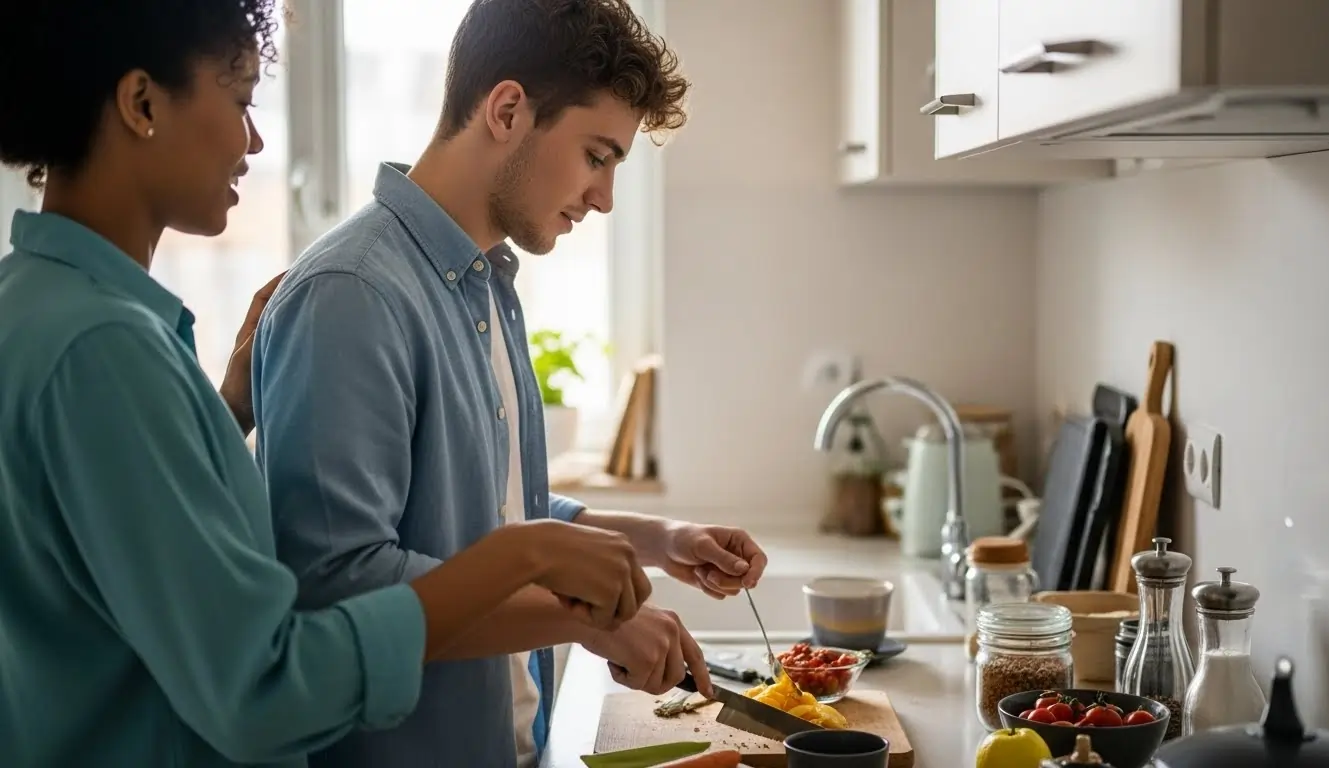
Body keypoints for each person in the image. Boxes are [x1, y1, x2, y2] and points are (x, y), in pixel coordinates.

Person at [0, 3, 654, 766]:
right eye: (241, 99)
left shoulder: (41, 306)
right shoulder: (105, 345)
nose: (256, 140)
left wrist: (225, 412)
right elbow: (263, 687)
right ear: (142, 104)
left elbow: (113, 571)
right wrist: (525, 560)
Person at [251, 0, 769, 766]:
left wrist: (661, 540)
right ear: (506, 110)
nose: (604, 197)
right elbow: (339, 585)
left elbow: (491, 518)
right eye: (597, 155)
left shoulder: (483, 284)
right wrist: (583, 620)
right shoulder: (352, 294)